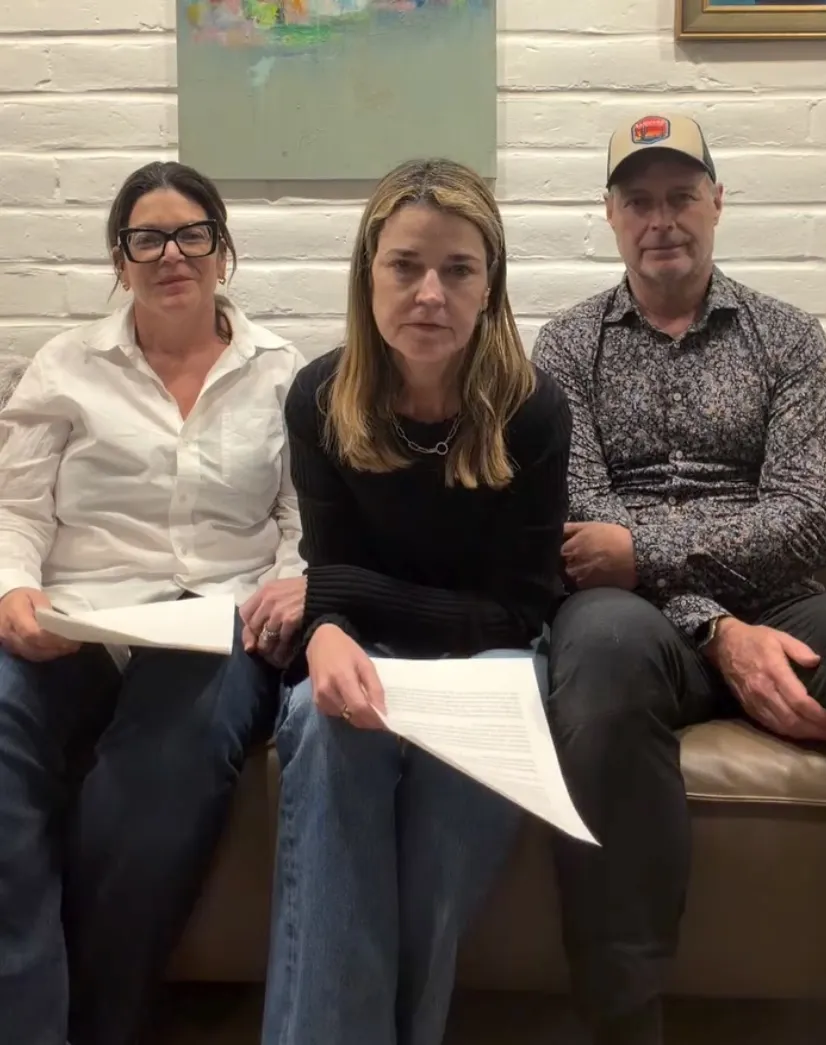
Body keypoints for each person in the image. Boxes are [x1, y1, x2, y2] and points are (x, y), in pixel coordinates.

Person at [532, 112, 826, 1045]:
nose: (660, 218)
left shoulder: (790, 340)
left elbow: (810, 518)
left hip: (782, 596)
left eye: (679, 196)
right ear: (610, 216)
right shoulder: (562, 349)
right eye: (639, 201)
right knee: (596, 653)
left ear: (717, 203)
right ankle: (623, 1019)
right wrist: (716, 626)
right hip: (628, 618)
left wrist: (657, 557)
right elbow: (583, 540)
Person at [256, 157, 572, 1045]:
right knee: (324, 730)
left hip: (491, 662)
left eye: (458, 269)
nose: (429, 292)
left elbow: (516, 609)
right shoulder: (320, 395)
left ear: (490, 284)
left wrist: (336, 595)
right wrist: (323, 626)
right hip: (378, 647)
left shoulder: (532, 409)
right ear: (367, 274)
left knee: (449, 820)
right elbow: (333, 572)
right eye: (404, 265)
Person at [0, 160, 306, 1045]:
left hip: (219, 619)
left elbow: (304, 518)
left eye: (191, 233)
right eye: (147, 237)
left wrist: (292, 579)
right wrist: (15, 589)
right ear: (119, 258)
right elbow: (16, 507)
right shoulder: (64, 367)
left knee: (163, 763)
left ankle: (105, 1023)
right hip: (78, 619)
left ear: (222, 251)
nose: (170, 252)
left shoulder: (283, 371)